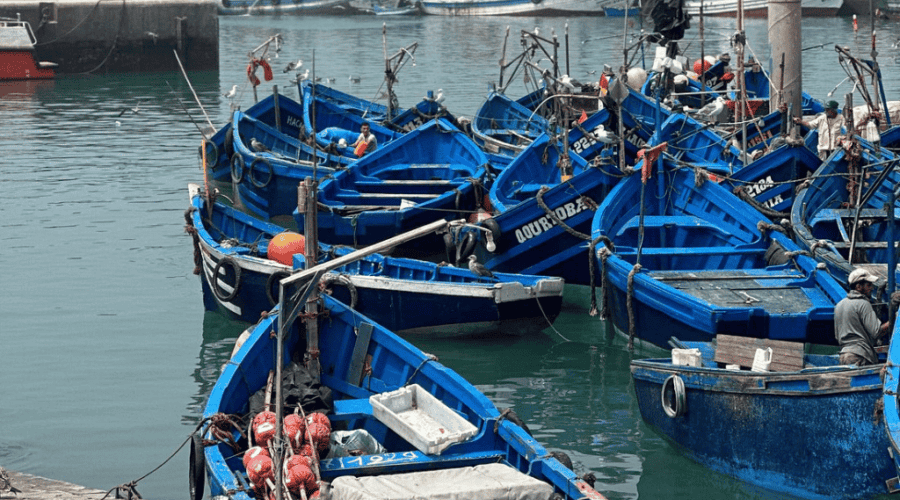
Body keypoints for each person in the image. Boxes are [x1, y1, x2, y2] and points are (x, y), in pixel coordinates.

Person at [834, 268, 889, 366]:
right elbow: (877, 332)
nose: (872, 288)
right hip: (860, 356)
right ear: (858, 286)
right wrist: (895, 320)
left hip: (844, 355)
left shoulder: (839, 305)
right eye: (869, 285)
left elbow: (837, 335)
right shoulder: (863, 303)